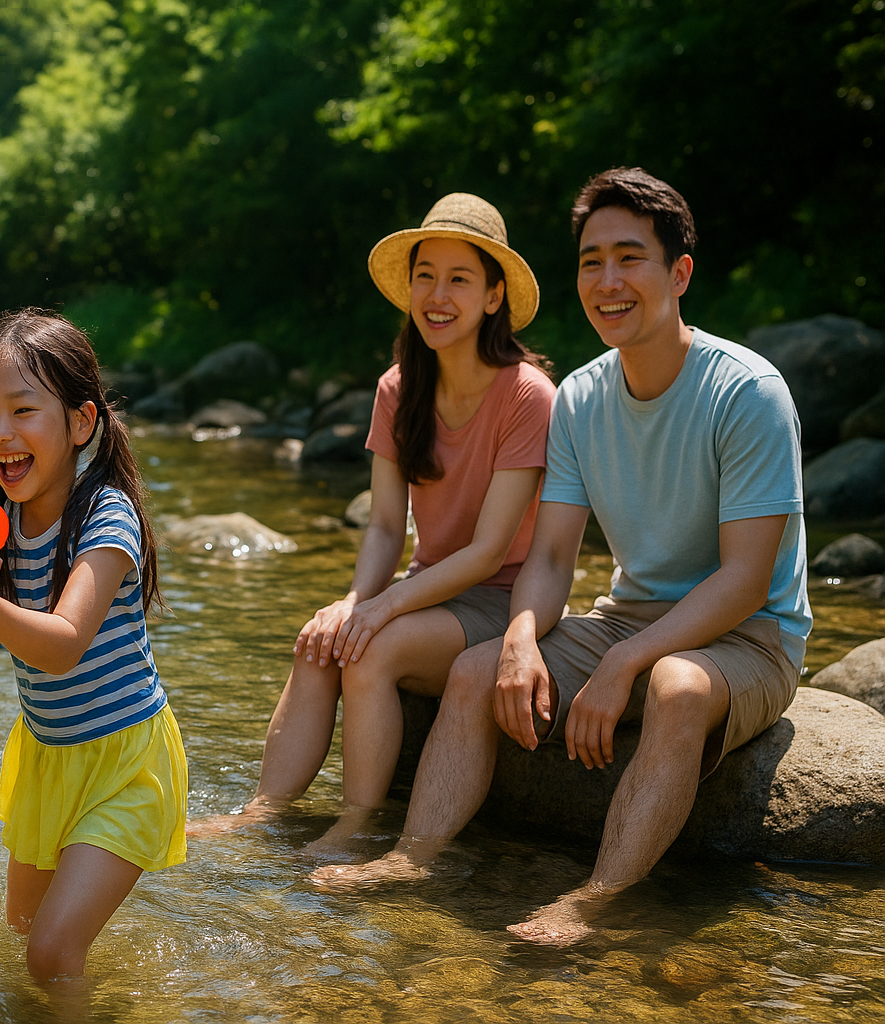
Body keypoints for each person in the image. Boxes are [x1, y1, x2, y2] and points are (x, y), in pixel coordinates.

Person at [315, 168, 811, 947]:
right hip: (631, 616)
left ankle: (594, 900)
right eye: (590, 261)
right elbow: (549, 559)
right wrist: (517, 640)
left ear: (679, 273)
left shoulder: (746, 391)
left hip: (748, 635)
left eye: (629, 258)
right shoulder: (579, 396)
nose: (607, 281)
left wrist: (624, 667)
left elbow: (746, 579)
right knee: (480, 666)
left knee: (676, 687)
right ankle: (414, 856)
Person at [192, 194, 555, 862]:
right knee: (319, 640)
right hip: (430, 587)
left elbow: (488, 551)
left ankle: (355, 826)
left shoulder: (527, 395)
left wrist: (383, 608)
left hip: (500, 599)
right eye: (425, 276)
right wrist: (355, 601)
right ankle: (262, 812)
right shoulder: (397, 388)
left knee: (370, 651)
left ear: (494, 296)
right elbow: (387, 525)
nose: (436, 295)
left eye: (459, 279)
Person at [0, 310, 187, 985]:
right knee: (24, 940)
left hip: (125, 765)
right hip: (47, 761)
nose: (1, 434)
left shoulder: (105, 514)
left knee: (51, 954)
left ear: (82, 422)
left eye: (23, 410)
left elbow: (62, 647)